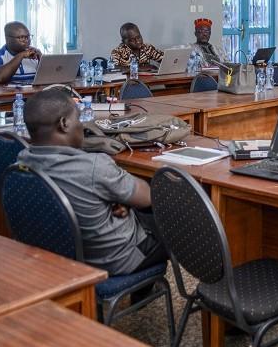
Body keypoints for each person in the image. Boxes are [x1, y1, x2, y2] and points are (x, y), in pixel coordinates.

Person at [17, 89, 167, 276]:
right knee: (171, 216)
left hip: (55, 255)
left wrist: (115, 198)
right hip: (112, 260)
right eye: (78, 119)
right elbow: (148, 197)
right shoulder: (94, 167)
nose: (82, 125)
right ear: (64, 124)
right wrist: (123, 198)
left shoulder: (21, 162)